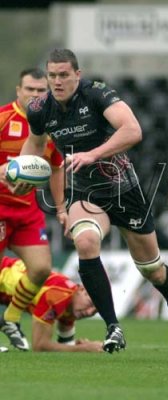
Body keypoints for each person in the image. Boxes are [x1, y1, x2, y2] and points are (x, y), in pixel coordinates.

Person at [21, 48, 168, 354]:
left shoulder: (96, 94)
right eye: (52, 76)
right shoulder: (39, 108)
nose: (57, 82)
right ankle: (113, 327)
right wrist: (23, 172)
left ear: (77, 75)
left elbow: (133, 130)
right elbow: (34, 145)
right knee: (85, 243)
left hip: (124, 190)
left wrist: (93, 154)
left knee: (152, 270)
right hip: (84, 192)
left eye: (63, 75)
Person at [0, 68, 67, 351]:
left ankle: (11, 318)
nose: (36, 95)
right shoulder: (3, 118)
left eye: (42, 91)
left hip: (28, 211)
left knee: (41, 269)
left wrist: (62, 209)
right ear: (19, 91)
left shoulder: (50, 125)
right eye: (31, 90)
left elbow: (56, 168)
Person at [0, 255, 102, 352]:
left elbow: (66, 344)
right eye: (90, 303)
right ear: (81, 290)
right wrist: (84, 349)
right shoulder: (58, 296)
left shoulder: (72, 305)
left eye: (94, 312)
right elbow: (39, 346)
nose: (88, 312)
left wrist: (80, 345)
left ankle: (7, 321)